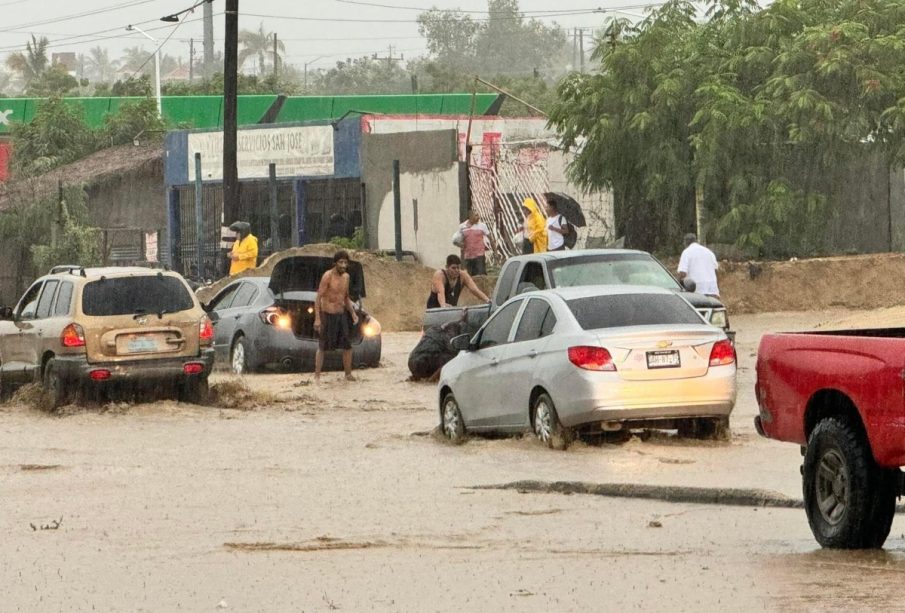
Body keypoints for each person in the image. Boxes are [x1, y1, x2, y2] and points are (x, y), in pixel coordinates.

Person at [314, 249, 360, 382]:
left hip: (341, 315)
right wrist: (317, 318)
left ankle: (348, 374)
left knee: (347, 346)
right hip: (327, 315)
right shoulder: (327, 276)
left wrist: (353, 314)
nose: (343, 265)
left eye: (345, 262)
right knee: (322, 346)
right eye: (341, 262)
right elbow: (318, 298)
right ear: (335, 263)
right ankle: (317, 375)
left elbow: (345, 298)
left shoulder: (346, 277)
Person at [426, 254, 491, 309]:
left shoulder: (463, 275)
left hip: (450, 309)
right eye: (453, 268)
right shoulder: (440, 275)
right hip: (434, 309)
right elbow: (440, 293)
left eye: (458, 268)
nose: (456, 270)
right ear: (447, 267)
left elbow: (475, 290)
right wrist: (443, 306)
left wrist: (488, 300)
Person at [677, 233, 720, 298]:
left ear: (685, 243)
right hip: (712, 290)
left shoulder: (687, 252)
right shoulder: (709, 252)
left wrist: (678, 286)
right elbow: (716, 270)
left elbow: (682, 273)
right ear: (695, 241)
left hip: (697, 291)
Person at [460, 209, 496, 276]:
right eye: (476, 215)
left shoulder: (482, 226)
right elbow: (460, 242)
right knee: (469, 277)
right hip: (468, 257)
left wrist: (495, 252)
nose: (478, 217)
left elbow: (490, 239)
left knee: (481, 277)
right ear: (470, 216)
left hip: (479, 256)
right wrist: (462, 259)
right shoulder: (462, 227)